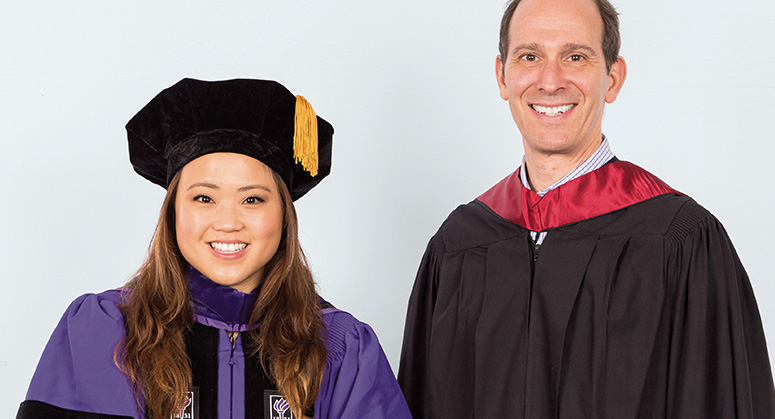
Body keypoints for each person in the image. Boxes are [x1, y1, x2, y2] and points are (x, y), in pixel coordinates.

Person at [398, 0, 775, 418]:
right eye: (530, 56)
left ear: (612, 79)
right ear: (502, 77)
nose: (550, 80)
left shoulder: (680, 240)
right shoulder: (458, 245)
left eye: (575, 56)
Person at [17, 78, 411, 419]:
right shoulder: (104, 332)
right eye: (204, 198)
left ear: (284, 216)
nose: (227, 221)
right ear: (173, 211)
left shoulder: (341, 347)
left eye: (252, 199)